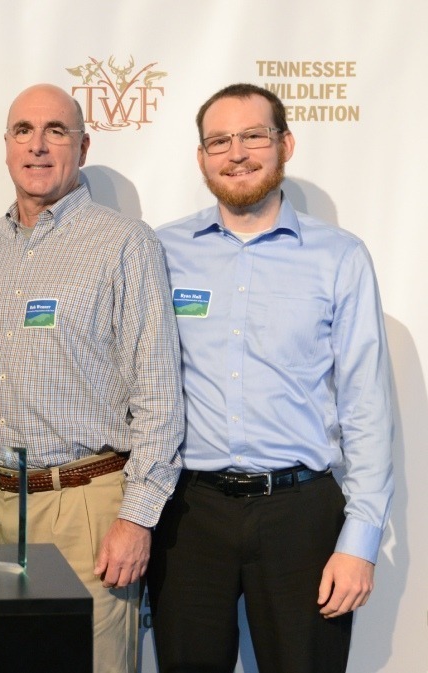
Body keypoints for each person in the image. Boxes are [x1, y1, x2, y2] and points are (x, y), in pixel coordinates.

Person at [147, 83, 395, 673]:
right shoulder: (161, 250)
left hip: (301, 515)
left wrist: (359, 545)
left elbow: (367, 408)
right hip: (189, 516)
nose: (237, 153)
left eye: (253, 136)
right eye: (219, 141)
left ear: (285, 144)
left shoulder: (341, 258)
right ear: (202, 157)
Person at [0, 83, 184, 673]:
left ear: (83, 145)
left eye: (56, 130)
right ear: (5, 145)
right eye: (23, 131)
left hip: (86, 505)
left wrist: (136, 517)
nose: (38, 146)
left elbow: (157, 395)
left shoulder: (124, 243)